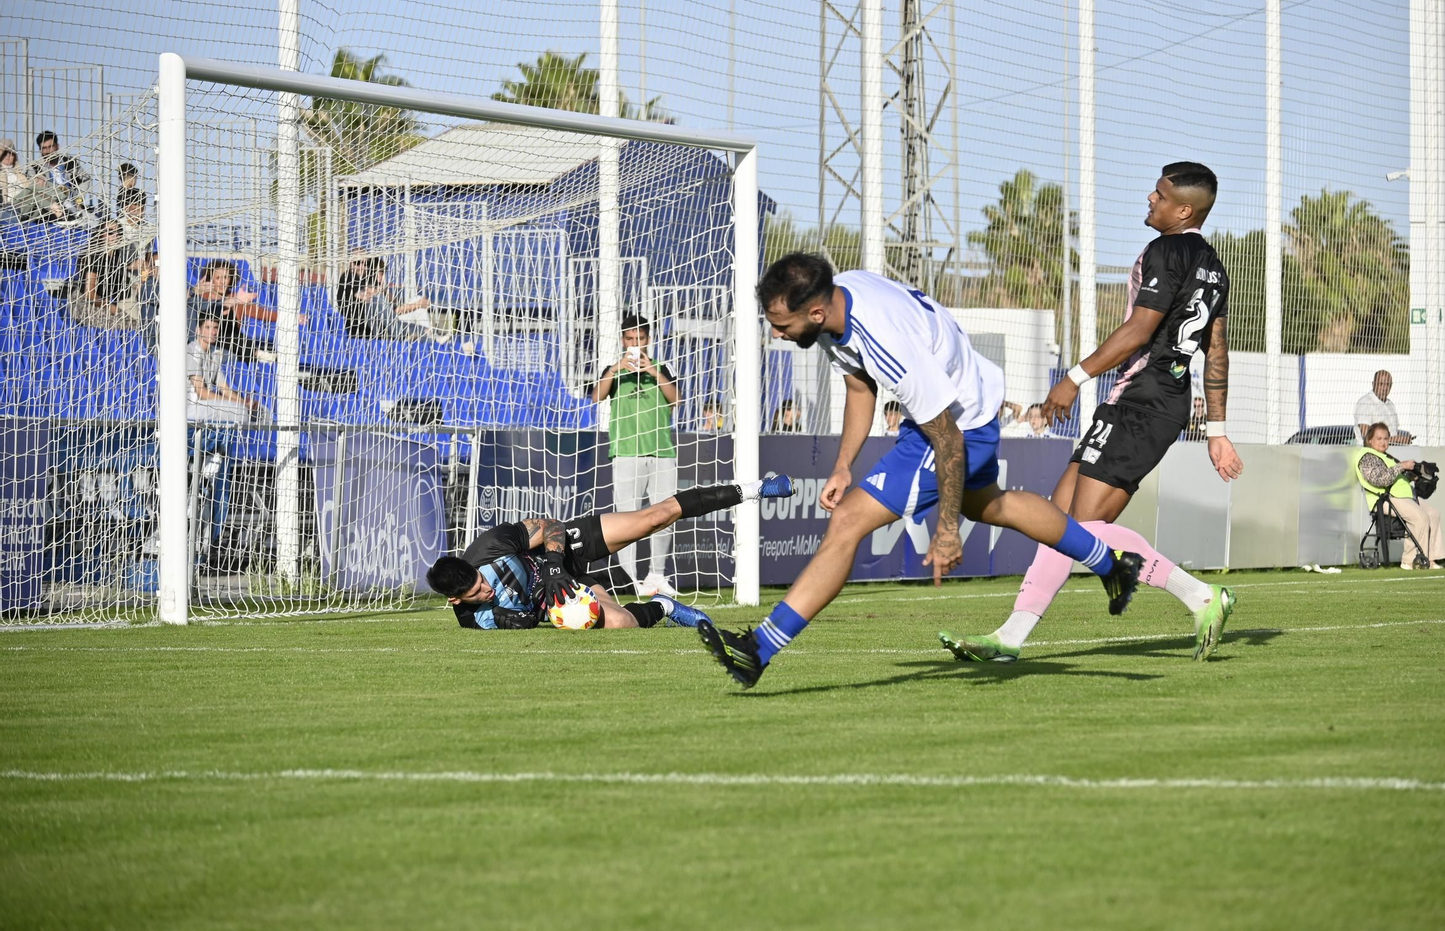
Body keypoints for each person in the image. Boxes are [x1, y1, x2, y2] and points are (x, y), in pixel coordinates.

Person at [693, 252, 1142, 689]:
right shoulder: (838, 299)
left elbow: (949, 439)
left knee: (848, 520)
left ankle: (758, 651)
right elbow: (858, 384)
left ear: (814, 312)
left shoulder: (886, 341)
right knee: (992, 505)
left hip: (956, 421)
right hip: (956, 405)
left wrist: (946, 530)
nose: (776, 334)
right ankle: (1112, 563)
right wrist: (843, 466)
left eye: (781, 325)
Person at [939, 162, 1243, 665]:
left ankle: (1200, 596)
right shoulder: (1213, 265)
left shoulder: (1167, 250)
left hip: (1144, 402)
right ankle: (1012, 637)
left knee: (1086, 527)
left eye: (1161, 194)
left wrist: (1072, 378)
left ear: (1184, 209)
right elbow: (1216, 349)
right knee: (1058, 523)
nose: (1151, 197)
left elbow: (1139, 331)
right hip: (1147, 402)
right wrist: (1217, 430)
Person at [426, 474, 794, 631]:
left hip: (562, 551)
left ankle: (757, 488)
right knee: (621, 623)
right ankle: (664, 606)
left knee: (655, 517)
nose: (484, 591)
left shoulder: (489, 547)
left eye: (479, 582)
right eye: (474, 594)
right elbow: (512, 623)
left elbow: (550, 526)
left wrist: (554, 565)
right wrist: (517, 623)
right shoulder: (473, 618)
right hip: (558, 596)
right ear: (456, 601)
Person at [590, 312, 681, 596]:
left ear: (648, 339)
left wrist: (652, 371)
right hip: (626, 452)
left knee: (666, 514)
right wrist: (616, 369)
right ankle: (630, 579)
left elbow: (676, 399)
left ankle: (657, 575)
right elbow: (596, 397)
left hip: (662, 451)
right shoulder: (613, 370)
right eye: (630, 338)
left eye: (639, 338)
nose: (635, 343)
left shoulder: (661, 367)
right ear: (622, 340)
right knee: (627, 518)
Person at [1356, 422, 1443, 570]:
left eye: (1386, 438)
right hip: (1385, 499)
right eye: (1379, 439)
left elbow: (1396, 477)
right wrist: (1402, 466)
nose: (1383, 442)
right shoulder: (1367, 457)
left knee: (1433, 514)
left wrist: (1416, 475)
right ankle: (1409, 560)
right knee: (1420, 517)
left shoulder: (1386, 456)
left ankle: (1431, 558)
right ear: (1370, 440)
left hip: (1402, 497)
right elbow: (1379, 479)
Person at [190, 259, 304, 362]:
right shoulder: (200, 296)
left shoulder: (238, 298)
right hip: (201, 344)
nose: (222, 282)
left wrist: (290, 317)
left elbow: (262, 313)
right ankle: (258, 354)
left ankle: (258, 355)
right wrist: (193, 291)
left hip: (227, 348)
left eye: (226, 277)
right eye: (218, 278)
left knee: (235, 337)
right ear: (211, 279)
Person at [336, 256, 445, 342]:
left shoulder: (376, 286)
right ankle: (418, 335)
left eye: (383, 273)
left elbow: (394, 306)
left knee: (421, 327)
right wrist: (418, 304)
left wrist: (384, 292)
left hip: (389, 321)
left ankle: (434, 336)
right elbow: (395, 309)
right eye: (380, 273)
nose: (362, 266)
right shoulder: (349, 279)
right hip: (372, 326)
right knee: (415, 306)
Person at [186, 317, 263, 424]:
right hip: (191, 407)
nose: (213, 332)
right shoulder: (191, 351)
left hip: (206, 405)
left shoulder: (215, 354)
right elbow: (201, 392)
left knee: (260, 412)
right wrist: (238, 404)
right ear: (198, 330)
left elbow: (225, 389)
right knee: (240, 411)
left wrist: (244, 402)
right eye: (208, 327)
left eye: (216, 328)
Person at [66, 220, 139, 329]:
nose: (115, 236)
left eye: (118, 232)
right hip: (86, 304)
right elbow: (89, 294)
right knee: (132, 326)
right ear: (101, 234)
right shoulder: (95, 256)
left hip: (104, 302)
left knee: (137, 322)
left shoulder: (115, 254)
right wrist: (112, 308)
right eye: (110, 232)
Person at [32, 131, 88, 219]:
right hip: (52, 213)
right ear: (40, 150)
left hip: (75, 207)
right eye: (44, 148)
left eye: (50, 147)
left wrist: (79, 200)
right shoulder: (35, 168)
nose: (47, 151)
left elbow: (86, 179)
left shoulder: (69, 162)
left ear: (57, 146)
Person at [1354, 370, 1412, 445]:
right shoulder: (1366, 403)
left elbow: (1394, 432)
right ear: (1373, 384)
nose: (1384, 388)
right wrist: (1397, 440)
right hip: (1372, 452)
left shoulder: (1390, 405)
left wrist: (1403, 440)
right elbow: (1366, 434)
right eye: (1381, 384)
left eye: (1387, 384)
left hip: (1392, 451)